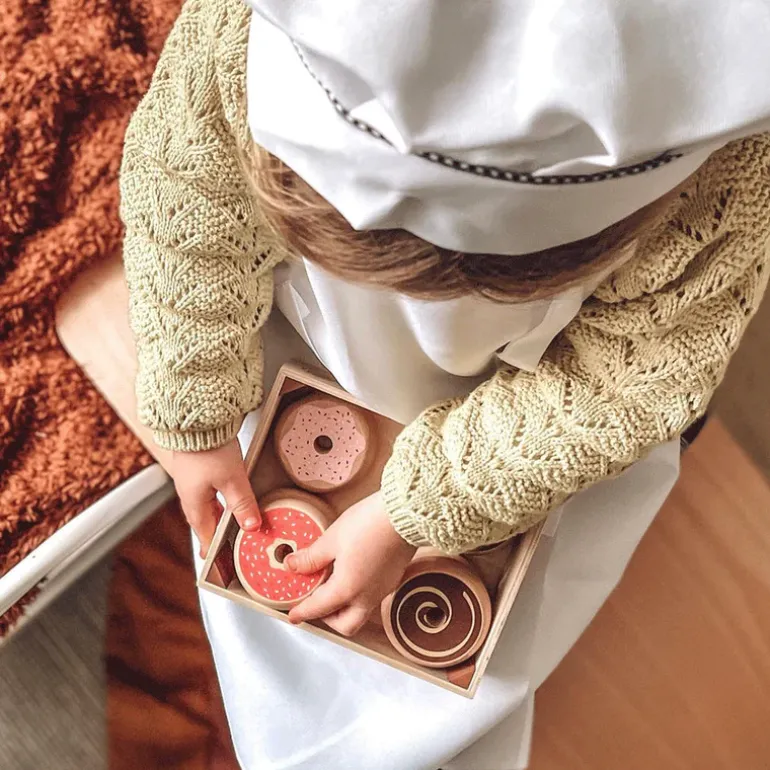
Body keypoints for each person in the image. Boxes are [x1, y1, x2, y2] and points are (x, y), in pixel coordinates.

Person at [119, 0, 770, 766]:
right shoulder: (233, 47)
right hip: (321, 335)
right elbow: (186, 198)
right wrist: (191, 406)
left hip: (532, 423)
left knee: (440, 704)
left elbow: (615, 386)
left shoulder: (717, 190)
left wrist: (415, 513)